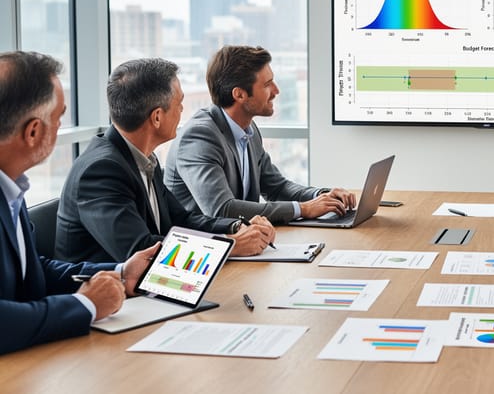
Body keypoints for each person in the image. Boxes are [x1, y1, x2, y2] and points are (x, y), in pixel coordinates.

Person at [0, 51, 158, 354]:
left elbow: (31, 271)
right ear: (33, 131)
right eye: (59, 118)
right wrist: (84, 304)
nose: (61, 127)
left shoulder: (11, 188)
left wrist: (121, 272)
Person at [56, 58, 276, 263]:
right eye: (179, 103)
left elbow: (182, 219)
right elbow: (139, 250)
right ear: (157, 117)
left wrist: (237, 226)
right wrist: (230, 246)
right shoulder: (101, 171)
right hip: (115, 298)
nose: (182, 110)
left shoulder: (143, 157)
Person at [164, 45, 355, 224]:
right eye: (267, 85)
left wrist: (321, 196)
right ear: (239, 95)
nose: (276, 91)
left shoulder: (248, 129)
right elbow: (222, 210)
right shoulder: (200, 137)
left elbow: (277, 188)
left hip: (244, 241)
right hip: (203, 249)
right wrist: (304, 209)